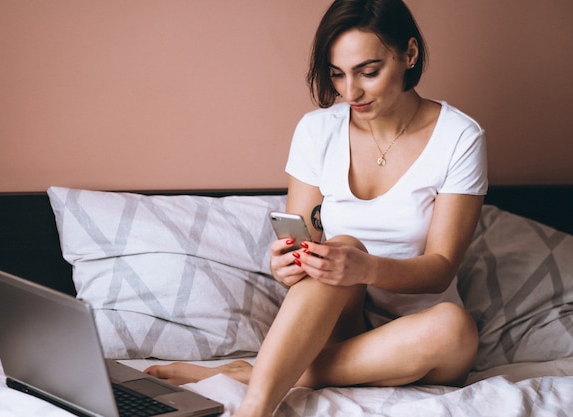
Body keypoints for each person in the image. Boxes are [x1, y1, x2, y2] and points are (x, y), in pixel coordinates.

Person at [145, 0, 487, 416]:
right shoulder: (316, 131)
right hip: (338, 324)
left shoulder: (459, 137)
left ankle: (249, 373)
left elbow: (442, 267)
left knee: (454, 325)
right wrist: (287, 264)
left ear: (409, 54)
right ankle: (255, 408)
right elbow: (304, 247)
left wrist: (365, 267)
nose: (350, 92)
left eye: (369, 71)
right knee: (338, 245)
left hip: (424, 335)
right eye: (337, 74)